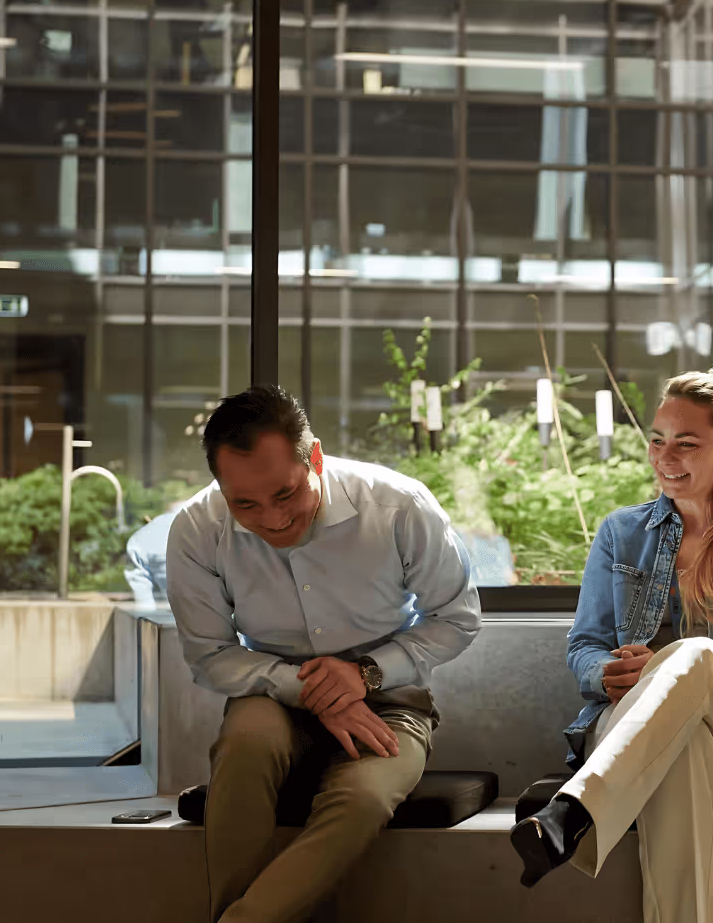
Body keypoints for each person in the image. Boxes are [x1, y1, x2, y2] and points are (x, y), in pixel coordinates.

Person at [509, 364, 713, 922]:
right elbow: (585, 645)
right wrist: (605, 672)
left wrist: (657, 668)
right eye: (657, 441)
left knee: (696, 655)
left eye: (686, 443)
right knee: (683, 747)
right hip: (634, 723)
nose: (665, 457)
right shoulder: (621, 532)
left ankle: (574, 813)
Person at [166, 385, 480, 923]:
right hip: (270, 693)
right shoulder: (197, 529)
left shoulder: (399, 506)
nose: (272, 519)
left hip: (388, 699)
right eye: (245, 504)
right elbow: (211, 654)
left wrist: (365, 674)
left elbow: (457, 618)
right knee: (244, 750)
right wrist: (312, 690)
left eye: (284, 494)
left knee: (363, 798)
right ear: (220, 485)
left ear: (313, 457)